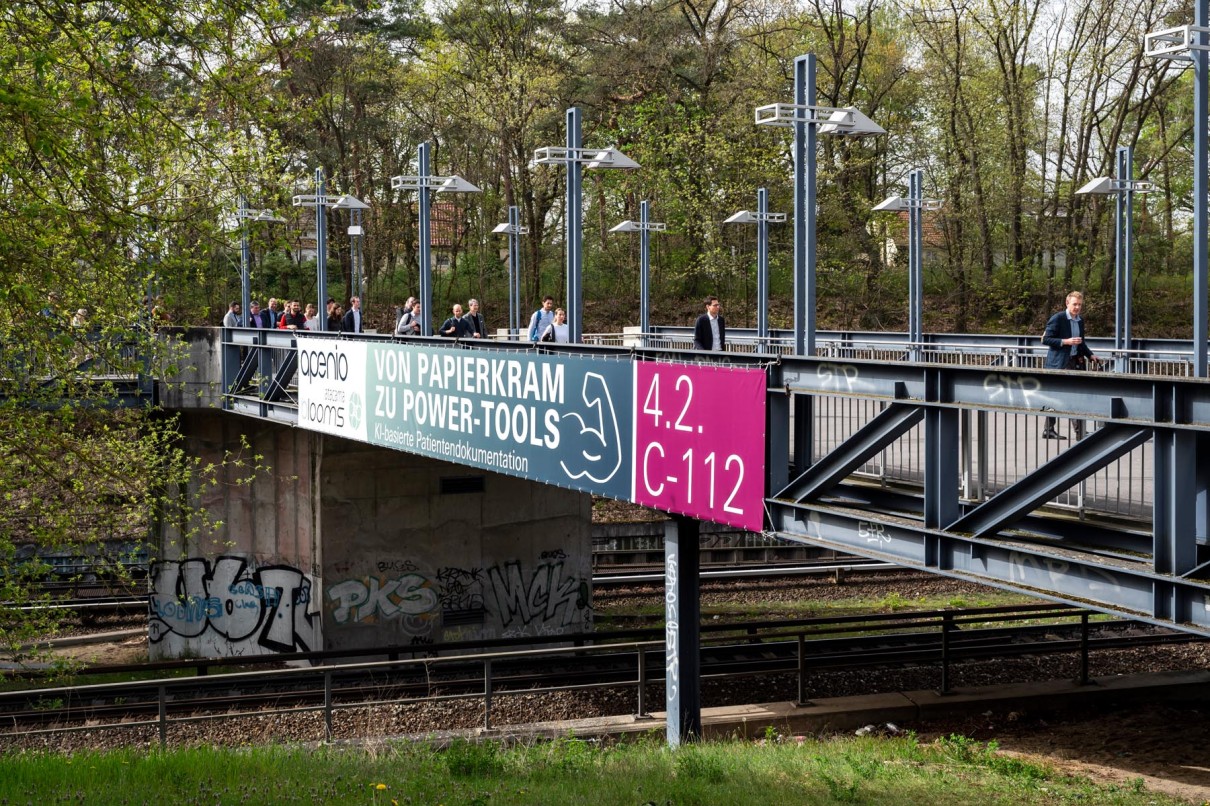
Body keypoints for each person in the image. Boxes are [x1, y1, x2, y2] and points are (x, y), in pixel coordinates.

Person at [1041, 290, 1101, 439]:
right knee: (1065, 395)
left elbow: (1081, 343)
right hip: (1059, 363)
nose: (1077, 307)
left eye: (1079, 305)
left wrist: (1090, 355)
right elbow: (1045, 339)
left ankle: (1069, 431)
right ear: (1067, 303)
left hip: (1075, 361)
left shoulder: (1080, 320)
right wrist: (1065, 342)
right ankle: (1070, 431)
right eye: (1075, 304)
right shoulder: (1058, 318)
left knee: (1074, 395)